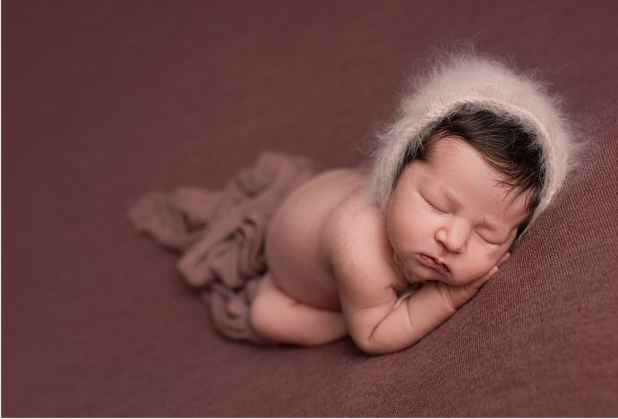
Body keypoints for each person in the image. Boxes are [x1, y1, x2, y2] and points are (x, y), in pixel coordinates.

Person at [130, 52, 576, 353]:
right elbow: (375, 335)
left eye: (487, 233)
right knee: (267, 316)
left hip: (326, 193)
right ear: (396, 171)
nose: (453, 238)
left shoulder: (424, 218)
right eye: (437, 205)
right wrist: (444, 300)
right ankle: (284, 290)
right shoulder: (361, 251)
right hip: (289, 257)